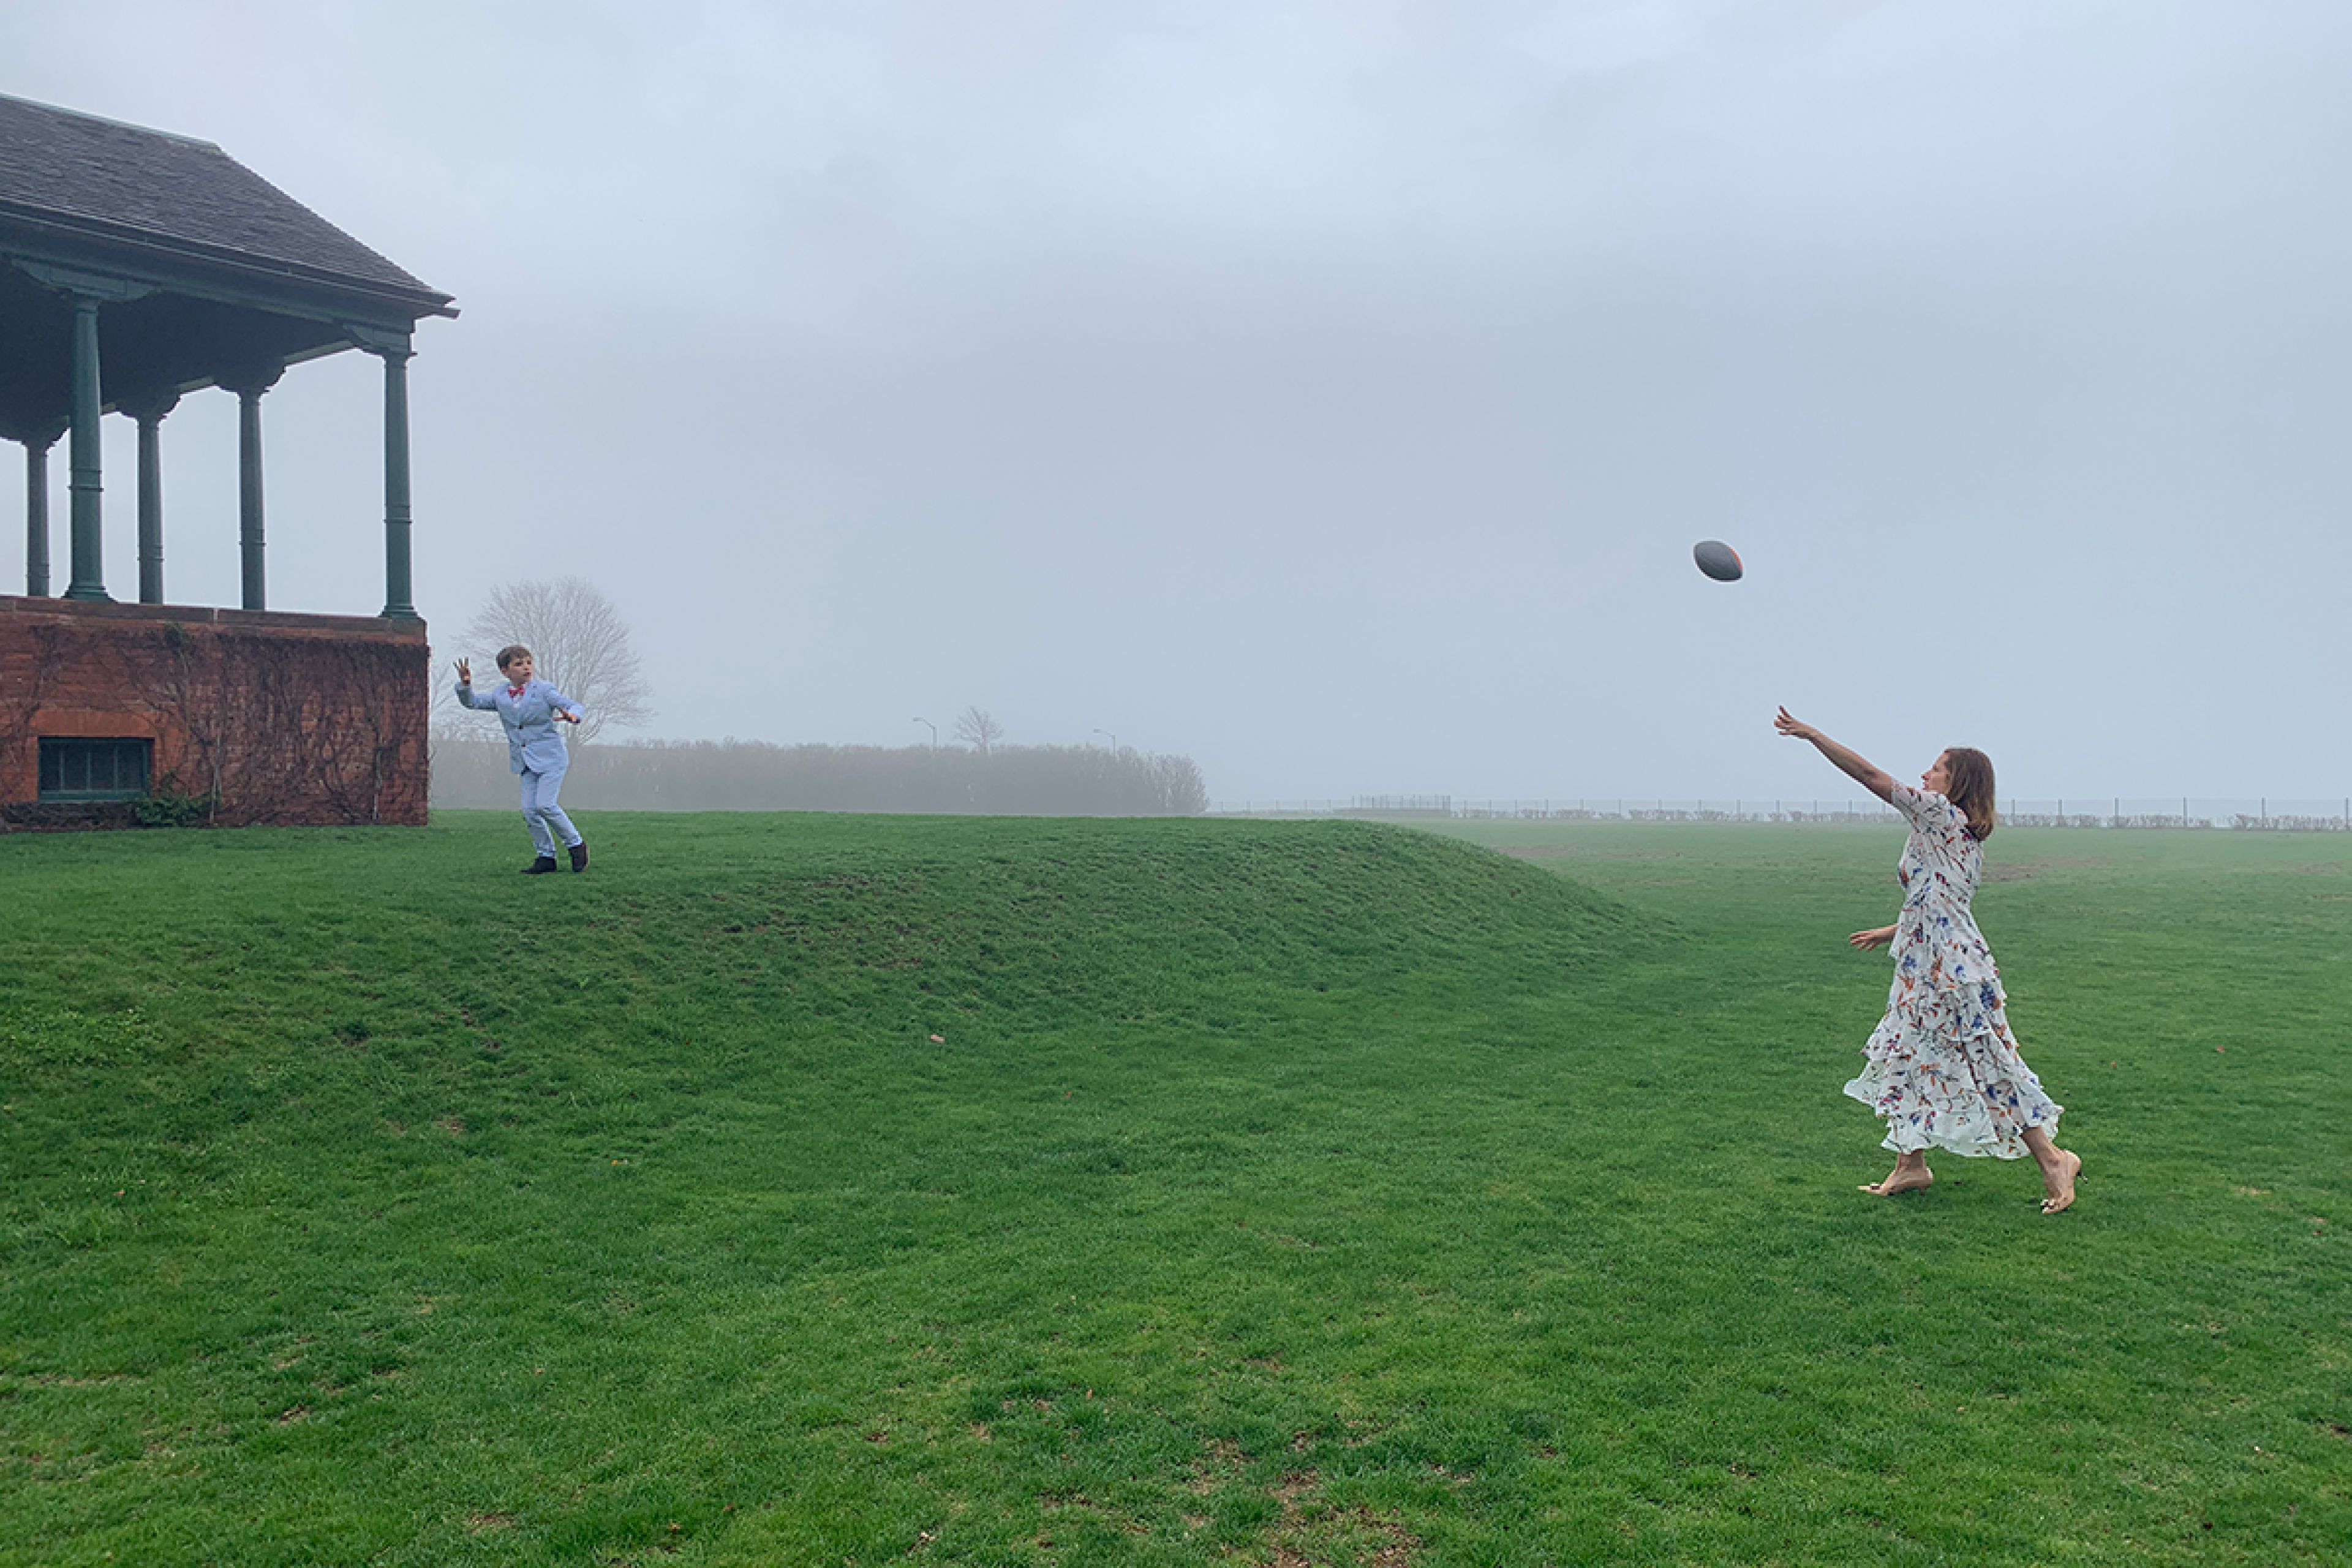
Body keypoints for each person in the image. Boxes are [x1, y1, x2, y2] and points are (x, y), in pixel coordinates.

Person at [1773, 707, 2079, 1214]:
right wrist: (1893, 929)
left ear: (1957, 784)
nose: (1924, 775)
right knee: (1907, 1055)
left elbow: (1871, 778)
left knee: (1989, 1059)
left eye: (1935, 769)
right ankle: (1910, 1165)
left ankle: (2053, 1160)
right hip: (1922, 962)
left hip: (1954, 971)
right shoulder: (1952, 834)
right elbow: (1941, 902)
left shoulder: (1941, 815)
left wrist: (1813, 736)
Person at [455, 646, 589, 875]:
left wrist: (573, 716)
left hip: (551, 758)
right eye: (519, 664)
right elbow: (473, 702)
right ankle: (546, 857)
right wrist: (466, 685)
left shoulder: (544, 690)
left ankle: (576, 845)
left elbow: (573, 705)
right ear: (505, 671)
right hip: (525, 761)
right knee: (529, 812)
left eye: (528, 662)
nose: (526, 667)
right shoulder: (500, 695)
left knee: (545, 805)